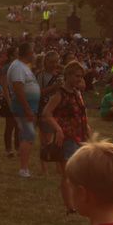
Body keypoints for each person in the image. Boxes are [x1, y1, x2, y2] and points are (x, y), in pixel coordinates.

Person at [41, 60, 90, 215]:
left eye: (81, 76)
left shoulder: (77, 92)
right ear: (67, 75)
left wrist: (87, 128)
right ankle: (70, 207)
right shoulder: (59, 94)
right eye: (76, 76)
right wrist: (58, 129)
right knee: (68, 174)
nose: (79, 79)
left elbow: (82, 113)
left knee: (80, 173)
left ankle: (78, 203)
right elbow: (46, 113)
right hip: (67, 138)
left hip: (80, 136)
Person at [7, 42, 41, 178]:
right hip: (23, 108)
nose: (34, 54)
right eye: (32, 51)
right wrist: (27, 108)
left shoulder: (24, 67)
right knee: (29, 135)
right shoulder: (17, 67)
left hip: (29, 107)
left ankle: (24, 167)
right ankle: (23, 169)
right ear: (27, 53)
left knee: (27, 136)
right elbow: (18, 88)